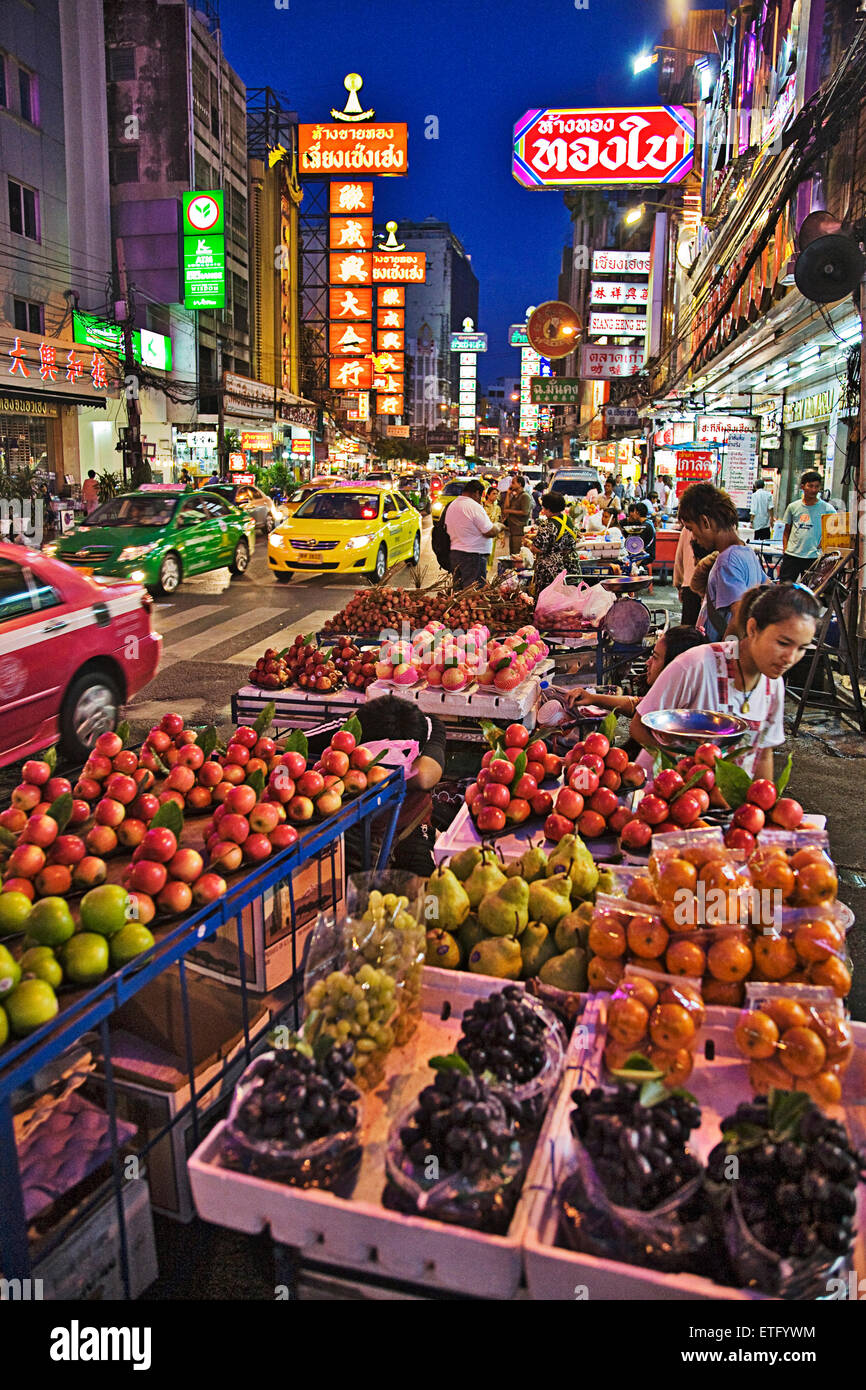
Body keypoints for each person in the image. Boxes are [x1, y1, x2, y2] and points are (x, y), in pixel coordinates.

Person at [631, 583, 820, 779]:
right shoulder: (695, 664)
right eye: (783, 643)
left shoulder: (774, 686)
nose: (790, 658)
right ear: (753, 628)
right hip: (662, 794)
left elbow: (763, 754)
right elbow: (638, 726)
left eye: (801, 648)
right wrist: (684, 767)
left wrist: (764, 803)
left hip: (722, 805)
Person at [339, 695, 446, 876]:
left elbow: (425, 776)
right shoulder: (347, 730)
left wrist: (373, 773)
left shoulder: (427, 725)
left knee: (425, 887)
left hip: (412, 828)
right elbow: (283, 752)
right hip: (356, 836)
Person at [677, 481, 764, 642]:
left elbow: (738, 617)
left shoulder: (726, 561)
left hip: (721, 653)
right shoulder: (748, 553)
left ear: (705, 522)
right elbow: (767, 589)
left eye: (691, 529)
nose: (694, 538)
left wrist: (728, 659)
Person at [565, 625, 707, 717]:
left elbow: (639, 712)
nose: (648, 662)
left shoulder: (683, 716)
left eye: (655, 658)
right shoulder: (675, 695)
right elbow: (638, 705)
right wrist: (592, 698)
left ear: (674, 666)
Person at [780, 470, 836, 582]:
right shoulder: (793, 507)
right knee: (784, 589)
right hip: (792, 556)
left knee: (811, 590)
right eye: (810, 486)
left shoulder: (828, 509)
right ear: (802, 487)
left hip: (814, 557)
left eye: (817, 486)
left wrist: (824, 543)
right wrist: (786, 549)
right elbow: (787, 531)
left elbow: (835, 530)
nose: (814, 490)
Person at [444, 479, 501, 588]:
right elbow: (489, 531)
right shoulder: (473, 506)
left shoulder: (452, 505)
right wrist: (499, 527)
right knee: (473, 593)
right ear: (476, 493)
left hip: (456, 554)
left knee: (459, 591)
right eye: (480, 496)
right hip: (472, 556)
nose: (480, 500)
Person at [531, 491, 579, 596]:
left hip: (553, 571)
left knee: (550, 602)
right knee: (569, 600)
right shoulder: (568, 519)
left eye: (544, 508)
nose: (543, 511)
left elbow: (538, 548)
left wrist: (529, 544)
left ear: (549, 508)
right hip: (571, 566)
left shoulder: (548, 524)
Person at [502, 472, 532, 557]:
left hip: (519, 531)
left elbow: (525, 512)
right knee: (512, 555)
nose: (511, 485)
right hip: (512, 530)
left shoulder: (525, 496)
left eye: (513, 483)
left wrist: (509, 511)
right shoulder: (515, 496)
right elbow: (506, 507)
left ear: (519, 484)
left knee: (517, 555)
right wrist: (508, 494)